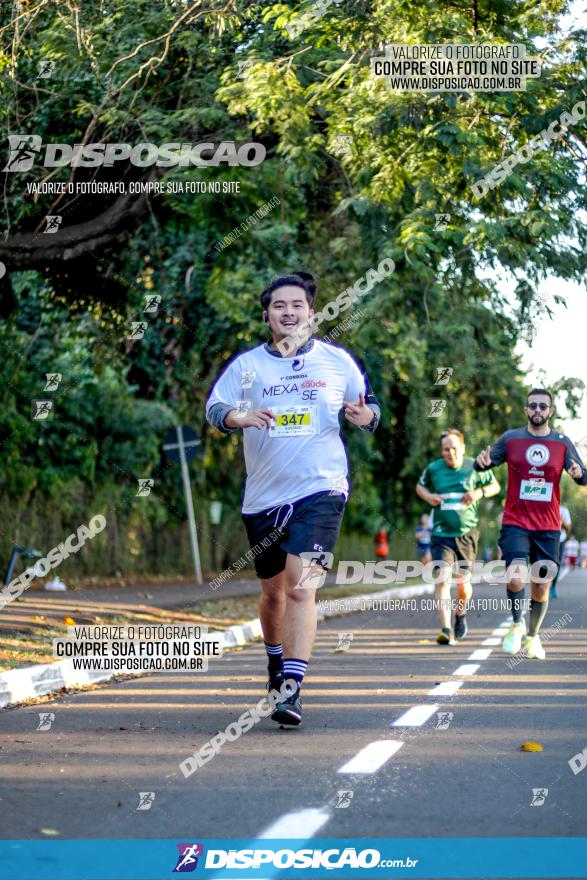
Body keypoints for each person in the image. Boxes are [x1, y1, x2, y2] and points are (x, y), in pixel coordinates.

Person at [205, 272, 380, 725]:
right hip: (264, 495)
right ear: (267, 315)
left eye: (297, 305)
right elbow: (215, 408)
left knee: (303, 583)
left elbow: (369, 407)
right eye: (279, 306)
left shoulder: (337, 361)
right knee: (273, 593)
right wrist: (240, 416)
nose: (288, 312)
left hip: (322, 486)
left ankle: (291, 688)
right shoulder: (248, 367)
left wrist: (366, 416)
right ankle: (274, 659)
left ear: (310, 312)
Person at [475, 389, 587, 659]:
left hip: (549, 525)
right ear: (526, 410)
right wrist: (482, 463)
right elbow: (485, 463)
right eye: (533, 406)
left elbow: (583, 477)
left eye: (543, 406)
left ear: (551, 412)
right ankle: (516, 624)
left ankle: (533, 637)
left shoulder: (562, 443)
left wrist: (579, 473)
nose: (538, 410)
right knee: (516, 577)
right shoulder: (512, 439)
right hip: (516, 521)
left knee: (541, 584)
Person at [416, 429, 500, 644]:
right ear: (441, 450)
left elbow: (495, 486)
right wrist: (429, 496)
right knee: (442, 579)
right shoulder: (433, 469)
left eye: (454, 448)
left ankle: (460, 615)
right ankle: (446, 630)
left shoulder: (475, 466)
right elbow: (420, 487)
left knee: (463, 585)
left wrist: (478, 493)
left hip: (466, 535)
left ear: (462, 448)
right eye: (446, 449)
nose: (450, 453)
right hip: (441, 534)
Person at [551, 504, 571, 598]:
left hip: (560, 540)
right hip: (545, 539)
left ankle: (553, 586)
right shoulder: (545, 507)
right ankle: (542, 585)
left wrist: (561, 522)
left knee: (556, 564)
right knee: (544, 563)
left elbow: (568, 528)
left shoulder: (564, 510)